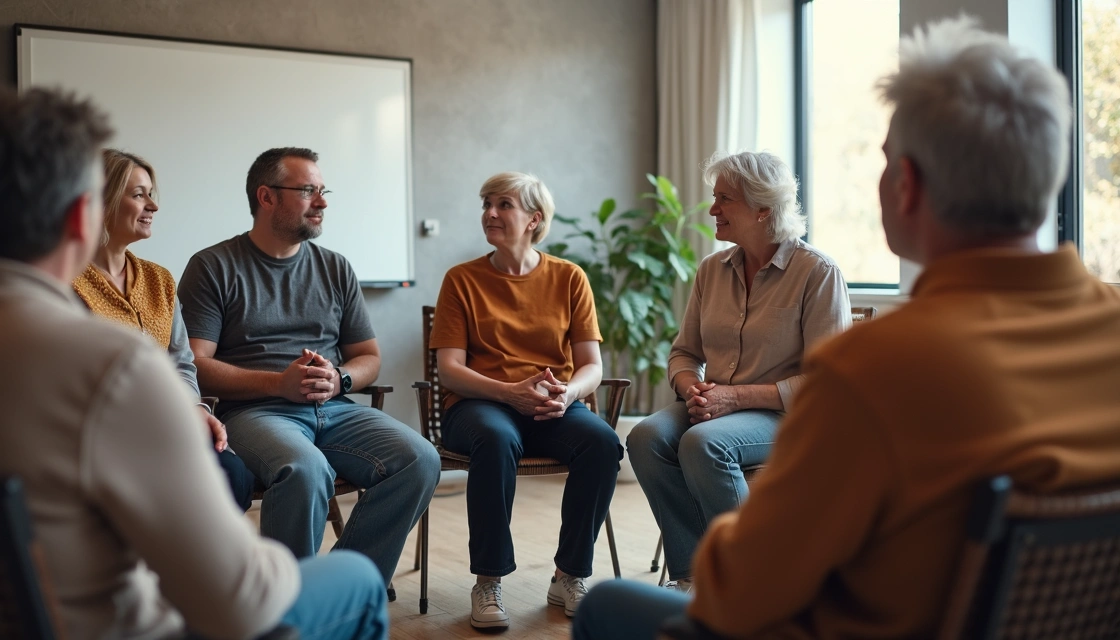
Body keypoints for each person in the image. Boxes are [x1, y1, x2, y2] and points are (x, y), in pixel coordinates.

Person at [573, 15, 1120, 640]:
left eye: (885, 163)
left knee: (607, 608)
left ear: (906, 186)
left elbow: (751, 586)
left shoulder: (877, 367)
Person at [0, 88, 387, 640]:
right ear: (83, 213)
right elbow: (238, 603)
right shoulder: (111, 367)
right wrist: (296, 567)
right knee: (354, 578)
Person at [177, 146, 439, 584]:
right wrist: (279, 384)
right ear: (267, 197)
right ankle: (286, 607)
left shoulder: (336, 267)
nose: (322, 202)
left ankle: (342, 587)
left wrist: (341, 379)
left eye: (323, 191)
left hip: (335, 409)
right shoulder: (213, 266)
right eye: (308, 191)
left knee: (420, 459)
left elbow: (369, 357)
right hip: (255, 413)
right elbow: (196, 364)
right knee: (305, 471)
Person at [627, 150, 851, 592]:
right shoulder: (712, 270)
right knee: (646, 437)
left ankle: (753, 581)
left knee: (702, 444)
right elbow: (683, 353)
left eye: (724, 199)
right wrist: (692, 389)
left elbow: (830, 384)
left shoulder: (817, 273)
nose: (712, 209)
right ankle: (693, 575)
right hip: (714, 404)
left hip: (787, 415)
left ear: (763, 208)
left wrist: (737, 397)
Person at [429, 171, 622, 629]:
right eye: (486, 204)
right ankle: (488, 579)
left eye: (503, 204)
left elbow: (591, 365)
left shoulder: (569, 278)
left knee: (603, 444)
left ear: (534, 219)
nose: (490, 214)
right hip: (479, 403)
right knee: (495, 440)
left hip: (550, 404)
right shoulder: (462, 280)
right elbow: (450, 370)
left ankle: (569, 574)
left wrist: (568, 392)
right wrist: (509, 393)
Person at [71, 149, 254, 511]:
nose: (152, 206)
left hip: (169, 423)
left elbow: (182, 362)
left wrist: (196, 409)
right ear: (101, 201)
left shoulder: (159, 279)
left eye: (152, 194)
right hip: (108, 438)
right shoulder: (69, 281)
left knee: (234, 476)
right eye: (138, 194)